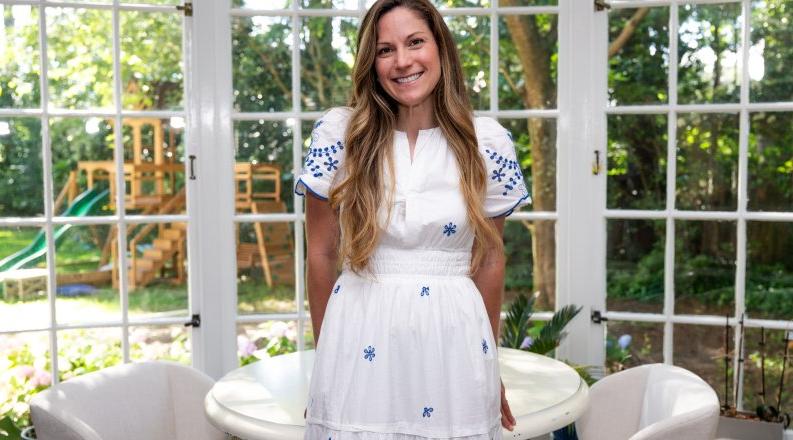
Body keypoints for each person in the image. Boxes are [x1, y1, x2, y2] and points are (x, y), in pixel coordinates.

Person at [294, 0, 529, 438]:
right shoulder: (340, 136)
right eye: (385, 50)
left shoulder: (488, 143)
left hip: (454, 340)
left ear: (440, 48)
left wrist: (489, 364)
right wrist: (329, 357)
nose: (402, 61)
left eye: (415, 42)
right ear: (371, 61)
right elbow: (322, 254)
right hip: (358, 330)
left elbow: (490, 261)